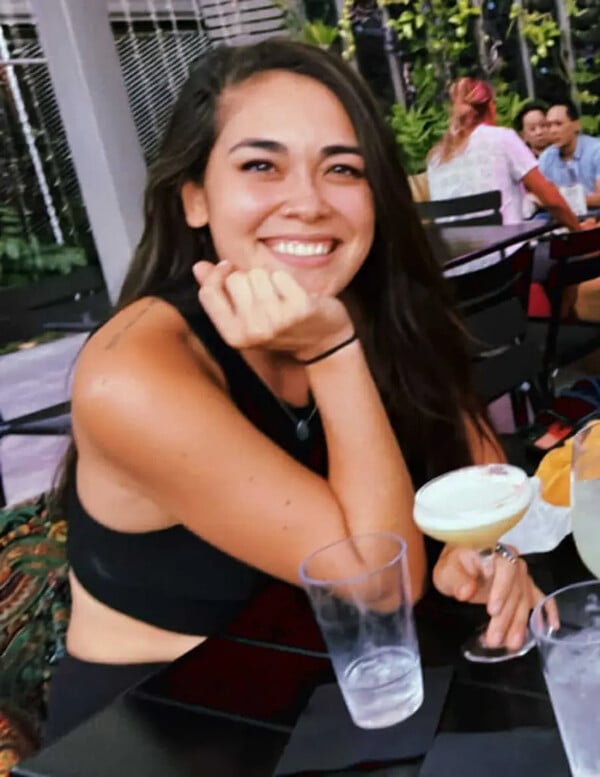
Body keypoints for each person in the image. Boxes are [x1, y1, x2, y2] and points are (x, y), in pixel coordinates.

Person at [46, 41, 545, 742]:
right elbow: (376, 586)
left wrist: (483, 555)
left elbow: (480, 469)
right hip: (166, 730)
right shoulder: (132, 373)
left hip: (341, 698)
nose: (308, 203)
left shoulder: (378, 305)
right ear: (195, 198)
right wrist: (331, 351)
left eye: (342, 168)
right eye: (261, 165)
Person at [427, 77, 580, 230]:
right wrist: (578, 229)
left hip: (460, 246)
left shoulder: (435, 158)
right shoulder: (502, 138)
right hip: (509, 244)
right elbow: (550, 197)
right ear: (491, 107)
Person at [539, 99, 600, 211]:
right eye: (549, 125)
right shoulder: (546, 158)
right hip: (561, 218)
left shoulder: (596, 151)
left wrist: (561, 200)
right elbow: (538, 196)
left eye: (558, 124)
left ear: (576, 125)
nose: (553, 131)